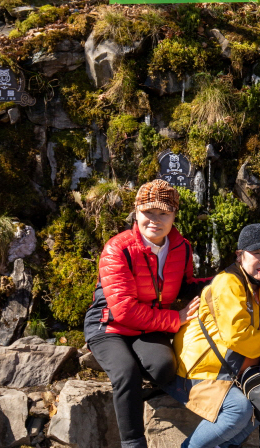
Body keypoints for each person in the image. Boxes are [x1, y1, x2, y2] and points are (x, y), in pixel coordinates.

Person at [84, 179, 210, 448]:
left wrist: (225, 280)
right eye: (148, 212)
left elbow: (186, 286)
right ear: (136, 211)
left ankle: (126, 360)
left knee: (165, 368)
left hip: (149, 326)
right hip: (109, 325)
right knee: (126, 374)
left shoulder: (181, 248)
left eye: (163, 213)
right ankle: (133, 442)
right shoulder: (117, 248)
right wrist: (175, 319)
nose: (155, 219)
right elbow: (123, 310)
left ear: (174, 215)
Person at [170, 224, 260, 448]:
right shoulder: (228, 283)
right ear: (240, 256)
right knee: (239, 409)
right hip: (201, 372)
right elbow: (238, 337)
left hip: (233, 372)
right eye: (257, 253)